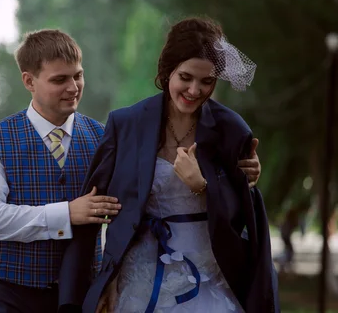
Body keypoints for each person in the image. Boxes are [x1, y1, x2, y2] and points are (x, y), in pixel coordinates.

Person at [58, 17, 276, 313]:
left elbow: (244, 223)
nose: (195, 90)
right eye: (185, 77)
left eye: (206, 81)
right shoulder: (126, 125)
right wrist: (81, 295)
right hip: (137, 280)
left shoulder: (232, 131)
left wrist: (203, 188)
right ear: (167, 71)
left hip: (210, 280)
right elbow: (91, 215)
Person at [0, 29, 122, 313]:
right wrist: (66, 214)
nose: (74, 87)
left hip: (81, 296)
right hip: (4, 296)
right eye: (60, 79)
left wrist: (109, 283)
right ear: (29, 81)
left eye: (78, 75)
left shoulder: (104, 138)